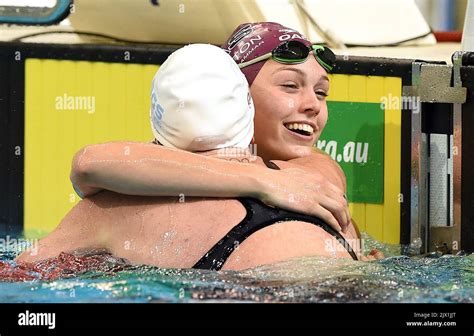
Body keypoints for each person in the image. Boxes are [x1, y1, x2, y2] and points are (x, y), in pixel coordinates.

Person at [16, 23, 380, 274]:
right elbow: (91, 162)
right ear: (239, 94)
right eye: (289, 86)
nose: (313, 105)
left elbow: (92, 165)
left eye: (321, 92)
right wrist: (262, 181)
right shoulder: (288, 181)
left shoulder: (317, 171)